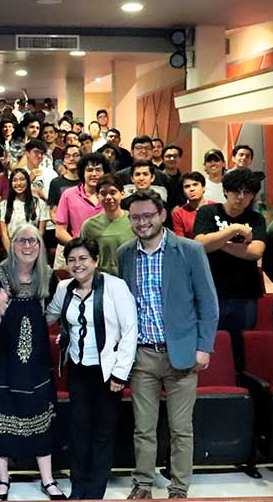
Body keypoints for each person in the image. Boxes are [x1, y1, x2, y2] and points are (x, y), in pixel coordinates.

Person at [117, 190, 219, 499]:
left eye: (148, 215)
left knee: (181, 429)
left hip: (182, 352)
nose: (142, 222)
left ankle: (179, 488)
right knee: (143, 428)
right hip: (142, 355)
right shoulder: (125, 253)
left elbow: (208, 303)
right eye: (135, 217)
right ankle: (142, 484)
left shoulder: (189, 250)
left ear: (162, 215)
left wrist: (204, 347)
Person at [46, 237, 137, 500]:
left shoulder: (115, 287)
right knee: (79, 429)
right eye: (72, 260)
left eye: (83, 258)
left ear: (95, 260)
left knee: (103, 432)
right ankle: (78, 487)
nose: (78, 264)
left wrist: (120, 373)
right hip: (78, 369)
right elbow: (49, 315)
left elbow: (130, 331)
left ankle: (96, 491)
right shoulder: (64, 288)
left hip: (108, 372)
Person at [0, 225, 63, 501]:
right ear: (12, 244)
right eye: (21, 241)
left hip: (35, 358)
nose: (27, 246)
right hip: (1, 356)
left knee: (39, 412)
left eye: (33, 241)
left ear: (40, 245)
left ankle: (48, 479)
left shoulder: (48, 276)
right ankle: (2, 478)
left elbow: (54, 315)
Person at [193, 168, 267, 370]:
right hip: (211, 291)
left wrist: (218, 242)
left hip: (245, 293)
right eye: (236, 191)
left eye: (247, 192)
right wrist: (234, 229)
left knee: (241, 347)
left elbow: (255, 251)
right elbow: (199, 244)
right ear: (226, 191)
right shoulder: (208, 212)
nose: (241, 197)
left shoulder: (256, 219)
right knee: (210, 344)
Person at [53, 152, 106, 264]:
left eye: (98, 170)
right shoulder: (69, 194)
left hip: (106, 253)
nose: (94, 174)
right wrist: (79, 248)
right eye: (89, 170)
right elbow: (60, 231)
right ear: (82, 172)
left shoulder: (110, 196)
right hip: (77, 254)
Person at [80, 175, 136, 277]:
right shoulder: (89, 226)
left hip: (131, 277)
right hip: (102, 279)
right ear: (97, 196)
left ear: (122, 194)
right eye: (103, 193)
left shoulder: (135, 220)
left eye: (113, 192)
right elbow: (84, 257)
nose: (108, 197)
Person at [0, 168, 50, 253]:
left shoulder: (39, 203)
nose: (19, 183)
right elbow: (4, 234)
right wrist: (11, 254)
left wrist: (31, 251)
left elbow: (41, 232)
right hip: (12, 248)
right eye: (15, 180)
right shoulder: (4, 205)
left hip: (33, 248)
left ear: (28, 181)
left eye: (22, 179)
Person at [170, 172, 213, 239]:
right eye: (187, 186)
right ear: (183, 192)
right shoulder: (178, 214)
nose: (192, 189)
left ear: (203, 187)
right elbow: (180, 241)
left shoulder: (217, 208)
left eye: (195, 185)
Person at [160, 145, 186, 210]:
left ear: (180, 158)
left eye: (175, 156)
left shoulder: (185, 179)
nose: (172, 159)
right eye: (168, 156)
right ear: (162, 159)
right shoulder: (157, 178)